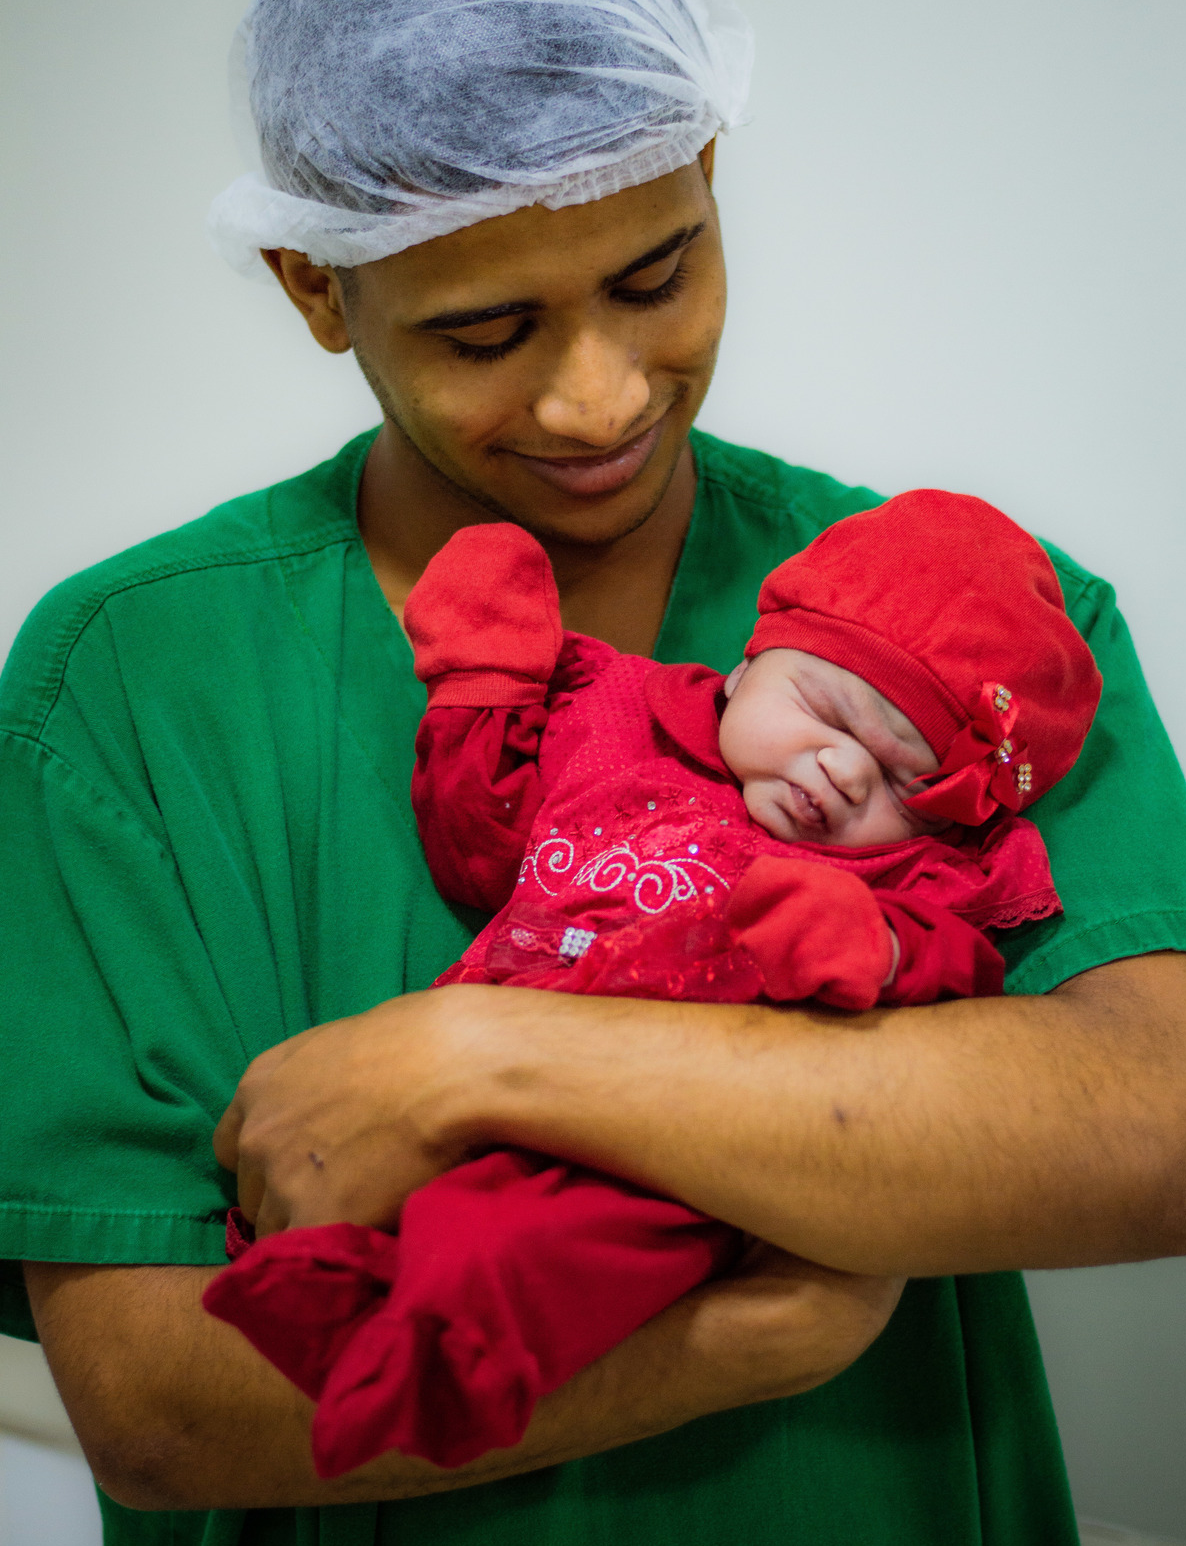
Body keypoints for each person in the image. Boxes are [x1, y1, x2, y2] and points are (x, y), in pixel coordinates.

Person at [2, 0, 1186, 1546]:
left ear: (708, 170)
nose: (599, 396)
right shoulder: (130, 685)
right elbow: (154, 1398)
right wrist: (727, 1344)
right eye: (485, 332)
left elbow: (1158, 1125)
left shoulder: (975, 631)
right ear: (317, 290)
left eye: (657, 274)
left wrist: (481, 1056)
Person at [204, 489, 1103, 1477]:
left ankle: (447, 1361)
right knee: (382, 1174)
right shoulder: (617, 716)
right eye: (825, 711)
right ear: (750, 661)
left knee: (574, 1241)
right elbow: (478, 845)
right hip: (482, 1059)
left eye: (907, 785)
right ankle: (335, 1280)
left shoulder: (912, 871)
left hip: (673, 1141)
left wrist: (873, 945)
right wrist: (483, 679)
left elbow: (957, 965)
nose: (847, 772)